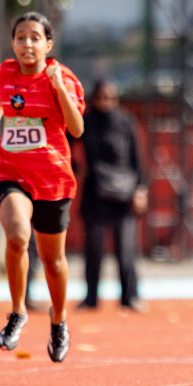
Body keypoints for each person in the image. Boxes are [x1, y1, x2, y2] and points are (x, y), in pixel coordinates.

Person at [0, 12, 85, 361]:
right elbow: (1, 95)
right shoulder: (7, 70)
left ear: (48, 44)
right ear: (13, 42)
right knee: (17, 236)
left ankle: (59, 319)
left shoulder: (63, 77)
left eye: (35, 38)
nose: (27, 44)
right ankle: (18, 311)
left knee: (53, 260)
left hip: (52, 178)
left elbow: (77, 129)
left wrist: (57, 87)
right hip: (9, 170)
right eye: (21, 37)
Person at [76, 81, 148, 313]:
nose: (106, 101)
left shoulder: (126, 121)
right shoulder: (86, 122)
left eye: (111, 97)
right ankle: (90, 299)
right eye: (102, 97)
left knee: (126, 250)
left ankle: (130, 297)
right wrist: (77, 168)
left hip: (124, 193)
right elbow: (65, 145)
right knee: (94, 249)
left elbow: (138, 158)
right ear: (93, 99)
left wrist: (141, 190)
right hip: (95, 193)